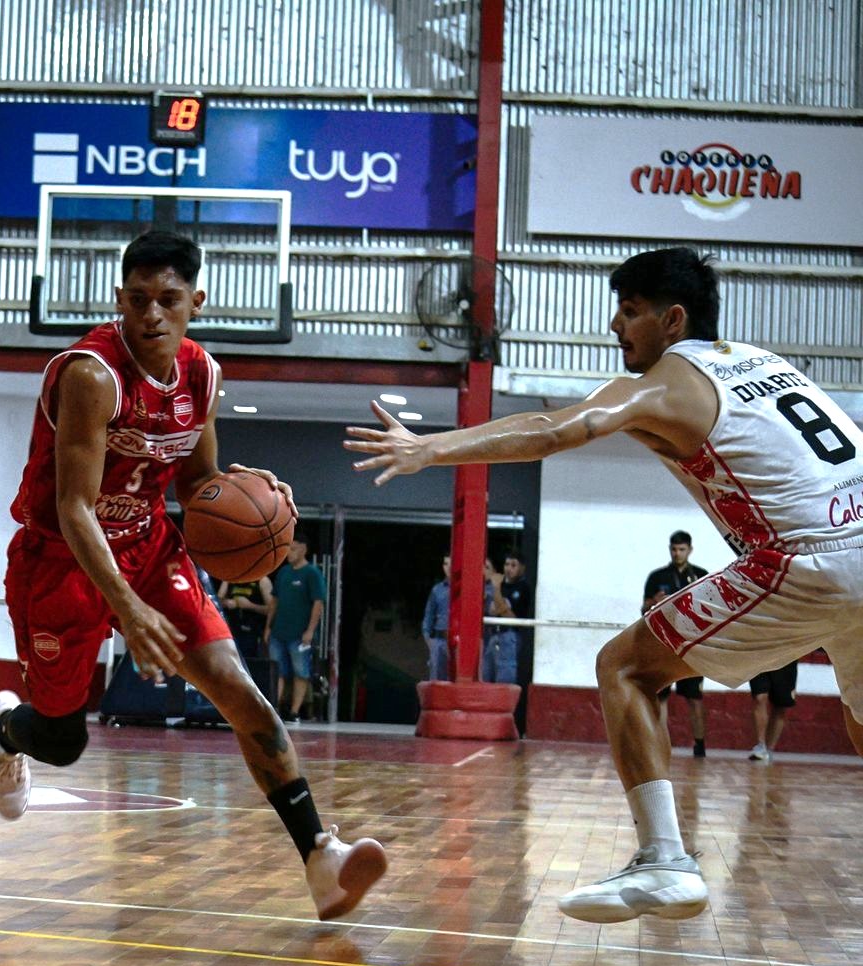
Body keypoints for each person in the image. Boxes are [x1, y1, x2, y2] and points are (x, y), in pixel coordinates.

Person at [346, 246, 863, 925]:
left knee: (624, 667)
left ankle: (665, 861)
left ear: (672, 320)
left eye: (630, 312)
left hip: (809, 559)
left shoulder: (671, 378)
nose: (616, 329)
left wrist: (430, 448)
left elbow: (556, 428)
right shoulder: (760, 360)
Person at [0, 230, 386, 921]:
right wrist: (129, 614)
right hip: (62, 557)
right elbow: (73, 506)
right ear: (119, 299)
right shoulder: (90, 374)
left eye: (168, 300)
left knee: (240, 691)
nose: (151, 315)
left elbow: (199, 486)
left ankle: (322, 857)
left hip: (148, 547)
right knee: (64, 739)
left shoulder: (203, 377)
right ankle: (4, 732)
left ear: (196, 301)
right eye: (137, 300)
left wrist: (250, 497)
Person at [644, 530, 710, 756]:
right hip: (664, 643)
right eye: (674, 549)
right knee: (661, 695)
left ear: (690, 550)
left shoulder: (702, 576)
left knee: (694, 696)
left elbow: (711, 611)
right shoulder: (657, 577)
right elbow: (643, 609)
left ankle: (699, 745)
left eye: (681, 549)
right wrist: (654, 602)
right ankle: (660, 742)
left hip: (691, 644)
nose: (677, 553)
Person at [265, 537, 326, 722]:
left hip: (299, 634)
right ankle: (274, 707)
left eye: (293, 549)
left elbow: (318, 602)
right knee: (277, 671)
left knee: (301, 671)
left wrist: (310, 630)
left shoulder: (312, 573)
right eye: (288, 549)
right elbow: (274, 601)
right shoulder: (283, 573)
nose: (289, 553)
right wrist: (268, 626)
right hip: (279, 631)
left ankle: (295, 711)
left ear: (303, 549)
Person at [482, 552, 531, 686]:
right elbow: (493, 610)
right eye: (506, 564)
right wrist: (501, 606)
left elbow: (511, 617)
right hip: (493, 636)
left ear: (522, 568)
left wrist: (496, 589)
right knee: (485, 677)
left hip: (509, 636)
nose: (508, 568)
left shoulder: (523, 588)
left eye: (513, 565)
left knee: (504, 680)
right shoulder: (501, 585)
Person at [748, 660, 798, 762]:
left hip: (786, 656)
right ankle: (761, 746)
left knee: (780, 705)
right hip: (759, 654)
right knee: (760, 697)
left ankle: (769, 749)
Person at [216, 574, 272, 662]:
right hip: (231, 631)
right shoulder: (229, 578)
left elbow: (271, 610)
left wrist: (250, 606)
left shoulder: (262, 580)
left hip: (254, 633)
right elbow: (216, 601)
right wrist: (226, 602)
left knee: (251, 664)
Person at [422, 555, 450, 681]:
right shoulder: (437, 590)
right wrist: (430, 641)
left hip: (458, 641)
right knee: (437, 682)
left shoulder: (464, 588)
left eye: (451, 563)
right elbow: (429, 617)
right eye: (445, 563)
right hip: (439, 640)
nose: (448, 567)